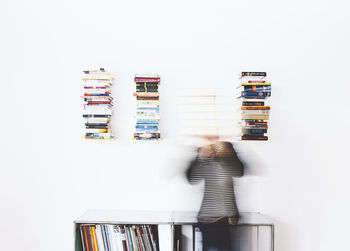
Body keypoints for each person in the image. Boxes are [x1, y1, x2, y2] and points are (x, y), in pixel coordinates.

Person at [186, 141, 244, 251]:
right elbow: (192, 179)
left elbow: (240, 172)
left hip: (229, 220)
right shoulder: (204, 152)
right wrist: (201, 156)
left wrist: (226, 154)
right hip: (208, 219)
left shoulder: (227, 147)